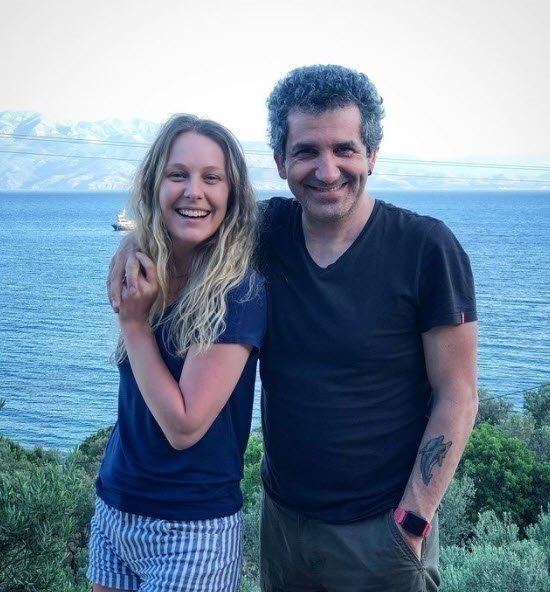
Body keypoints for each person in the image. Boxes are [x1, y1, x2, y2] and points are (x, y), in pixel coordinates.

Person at [109, 65, 478, 592]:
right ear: (281, 161)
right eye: (306, 151)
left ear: (372, 155)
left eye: (345, 149)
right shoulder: (263, 234)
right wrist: (133, 243)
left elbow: (458, 395)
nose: (327, 170)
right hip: (283, 524)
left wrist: (413, 520)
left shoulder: (426, 248)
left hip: (382, 531)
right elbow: (188, 220)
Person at [89, 114, 267, 592]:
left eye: (212, 178)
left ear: (232, 194)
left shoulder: (237, 292)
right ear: (154, 184)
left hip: (191, 530)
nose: (194, 191)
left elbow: (184, 426)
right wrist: (134, 241)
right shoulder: (144, 270)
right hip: (115, 508)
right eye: (177, 175)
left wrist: (133, 325)